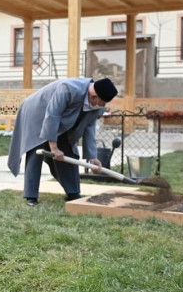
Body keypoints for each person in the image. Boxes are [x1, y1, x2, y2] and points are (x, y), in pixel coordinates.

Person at [7, 77, 118, 206]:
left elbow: (89, 127)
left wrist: (92, 157)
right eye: (102, 103)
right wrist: (53, 147)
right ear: (94, 96)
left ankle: (73, 192)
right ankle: (31, 196)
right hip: (36, 111)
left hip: (59, 120)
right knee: (36, 149)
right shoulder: (68, 89)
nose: (103, 106)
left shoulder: (97, 107)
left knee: (67, 150)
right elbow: (53, 115)